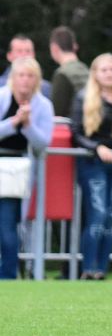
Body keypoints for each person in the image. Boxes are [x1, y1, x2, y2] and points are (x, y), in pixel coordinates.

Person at [71, 53, 112, 280]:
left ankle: (102, 270)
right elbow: (75, 133)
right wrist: (96, 147)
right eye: (104, 69)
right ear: (95, 73)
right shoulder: (82, 97)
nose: (109, 73)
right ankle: (88, 268)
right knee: (97, 215)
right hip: (92, 162)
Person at [0, 58, 54, 278]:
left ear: (37, 80)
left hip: (17, 171)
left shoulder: (43, 105)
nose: (25, 80)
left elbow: (43, 143)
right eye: (21, 75)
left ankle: (8, 276)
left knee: (8, 225)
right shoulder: (2, 96)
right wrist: (14, 123)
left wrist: (28, 125)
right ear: (13, 77)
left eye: (30, 75)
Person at [49, 26, 90, 117]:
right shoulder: (86, 69)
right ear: (75, 46)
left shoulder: (62, 74)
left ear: (54, 48)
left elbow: (57, 114)